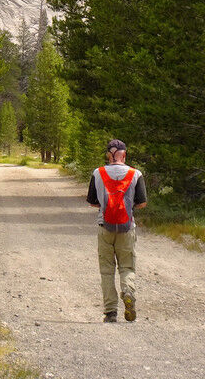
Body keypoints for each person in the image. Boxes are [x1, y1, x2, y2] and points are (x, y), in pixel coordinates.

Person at [87, 138, 147, 322]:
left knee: (106, 271)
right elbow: (142, 203)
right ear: (124, 155)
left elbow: (92, 202)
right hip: (127, 228)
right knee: (127, 267)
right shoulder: (136, 174)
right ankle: (128, 292)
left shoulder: (98, 173)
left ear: (108, 155)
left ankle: (111, 312)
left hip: (105, 227)